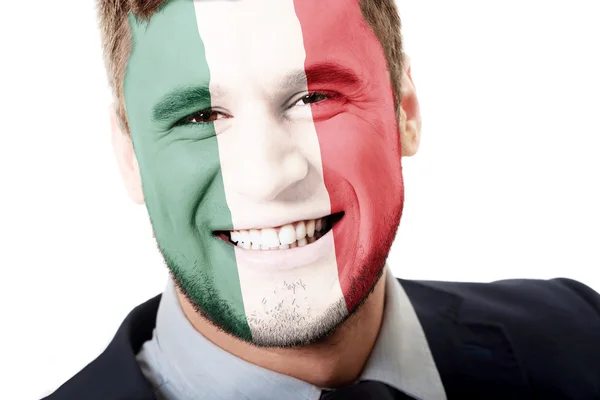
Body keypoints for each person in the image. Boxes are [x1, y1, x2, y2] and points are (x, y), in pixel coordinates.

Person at [44, 0, 600, 399]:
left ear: (404, 110)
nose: (266, 177)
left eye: (313, 96)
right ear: (130, 155)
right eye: (200, 117)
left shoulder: (580, 336)